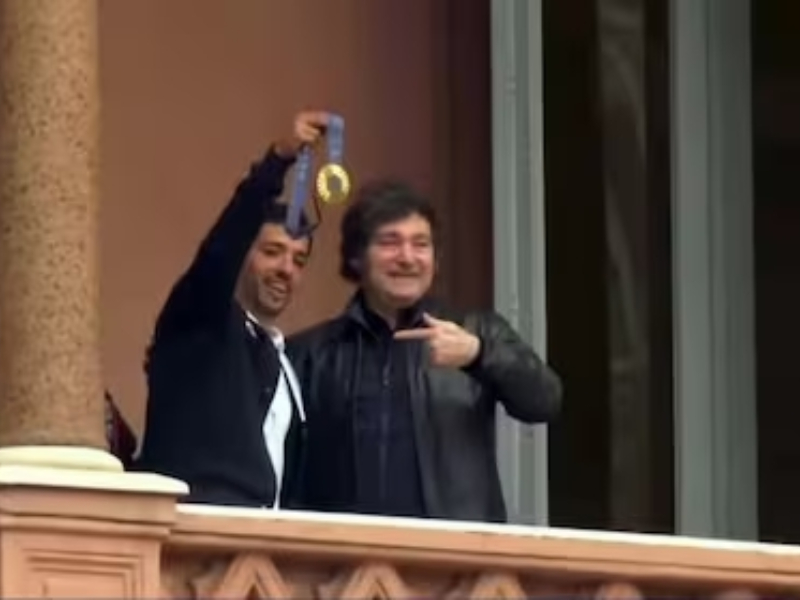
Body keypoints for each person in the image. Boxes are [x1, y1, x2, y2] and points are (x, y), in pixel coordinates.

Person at [287, 180, 563, 523]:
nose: (407, 258)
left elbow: (545, 400)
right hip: (345, 550)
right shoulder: (311, 354)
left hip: (451, 550)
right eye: (390, 242)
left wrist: (479, 355)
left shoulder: (476, 332)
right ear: (357, 257)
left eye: (421, 244)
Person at [135, 111, 328, 508]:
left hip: (266, 538)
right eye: (272, 251)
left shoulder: (285, 361)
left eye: (299, 260)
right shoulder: (201, 319)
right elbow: (221, 249)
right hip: (198, 530)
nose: (286, 269)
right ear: (244, 255)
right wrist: (277, 162)